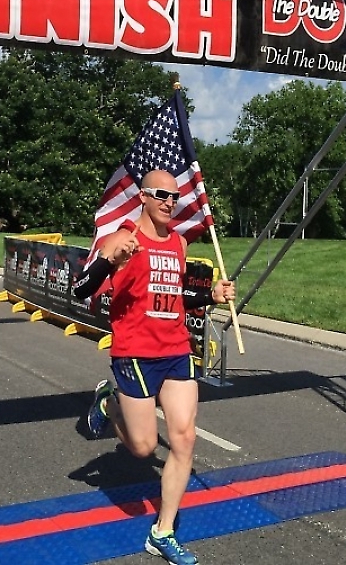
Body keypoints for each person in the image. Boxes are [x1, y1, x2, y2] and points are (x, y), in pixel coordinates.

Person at [72, 169, 235, 565]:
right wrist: (109, 261)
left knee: (184, 438)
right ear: (143, 196)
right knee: (144, 448)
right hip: (135, 353)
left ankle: (162, 532)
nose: (169, 202)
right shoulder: (122, 239)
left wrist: (210, 296)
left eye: (174, 197)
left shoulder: (178, 242)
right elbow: (80, 289)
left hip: (176, 349)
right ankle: (109, 403)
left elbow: (174, 295)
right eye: (161, 194)